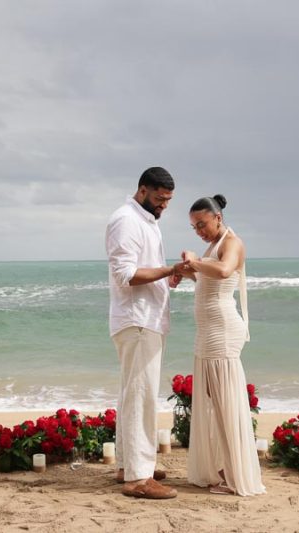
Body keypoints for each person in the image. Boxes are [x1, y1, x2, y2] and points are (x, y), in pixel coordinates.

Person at [105, 166, 187, 499]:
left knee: (132, 394)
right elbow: (125, 274)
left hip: (144, 318)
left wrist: (168, 277)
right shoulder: (126, 220)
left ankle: (129, 465)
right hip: (138, 320)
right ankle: (139, 478)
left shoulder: (145, 220)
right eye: (159, 198)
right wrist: (169, 268)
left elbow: (144, 268)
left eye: (168, 201)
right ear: (142, 190)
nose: (164, 206)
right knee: (140, 397)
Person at [178, 194, 266, 496]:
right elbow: (208, 278)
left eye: (202, 224)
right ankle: (222, 466)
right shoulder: (212, 246)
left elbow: (226, 270)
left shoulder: (232, 243)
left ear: (218, 217)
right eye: (194, 227)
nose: (199, 231)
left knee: (227, 403)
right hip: (207, 332)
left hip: (223, 331)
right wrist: (185, 272)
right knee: (213, 401)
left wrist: (196, 262)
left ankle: (235, 474)